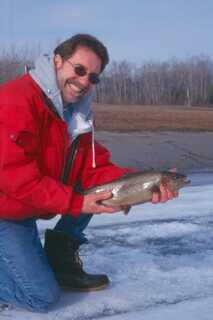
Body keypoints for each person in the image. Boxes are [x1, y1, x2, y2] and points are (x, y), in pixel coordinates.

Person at [0, 34, 176, 313]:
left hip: (24, 206)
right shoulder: (15, 100)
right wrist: (75, 202)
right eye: (79, 70)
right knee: (40, 297)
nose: (84, 82)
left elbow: (91, 168)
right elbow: (14, 177)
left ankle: (60, 258)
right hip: (5, 209)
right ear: (57, 61)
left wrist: (147, 181)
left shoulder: (74, 113)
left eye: (93, 77)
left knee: (100, 190)